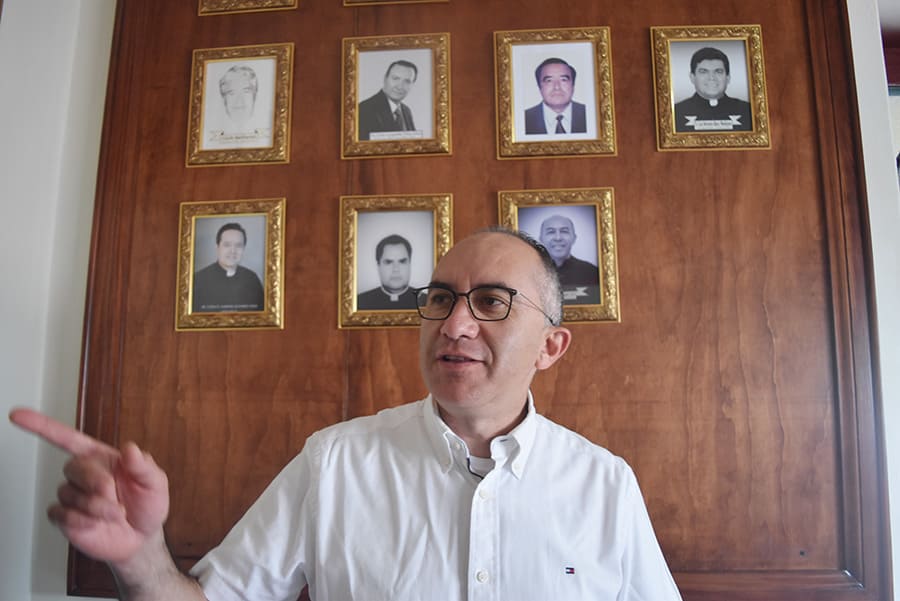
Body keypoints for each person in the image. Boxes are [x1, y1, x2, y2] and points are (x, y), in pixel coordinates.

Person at [9, 228, 683, 601]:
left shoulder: (605, 484)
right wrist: (141, 559)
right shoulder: (334, 462)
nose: (454, 325)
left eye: (491, 302)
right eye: (440, 299)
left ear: (550, 346)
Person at [673, 47, 752, 133]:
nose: (711, 78)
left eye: (718, 71)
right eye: (703, 72)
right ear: (692, 77)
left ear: (728, 77)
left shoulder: (748, 111)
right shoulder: (676, 113)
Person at [192, 222, 264, 313]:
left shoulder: (252, 279)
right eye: (227, 245)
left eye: (238, 245)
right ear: (217, 247)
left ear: (243, 249)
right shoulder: (198, 279)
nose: (233, 251)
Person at [539, 214, 601, 305]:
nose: (558, 238)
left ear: (574, 238)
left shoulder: (592, 273)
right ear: (541, 239)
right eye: (551, 232)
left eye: (564, 231)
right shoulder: (529, 272)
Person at [357, 60, 418, 141]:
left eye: (407, 81)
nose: (400, 86)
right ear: (385, 79)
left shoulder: (406, 111)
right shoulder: (364, 109)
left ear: (412, 85)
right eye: (395, 78)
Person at [524, 58, 587, 135]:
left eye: (563, 80)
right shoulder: (524, 119)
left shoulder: (589, 115)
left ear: (573, 85)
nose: (557, 87)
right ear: (540, 87)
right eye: (549, 81)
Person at [357, 234, 417, 310]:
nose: (396, 269)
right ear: (378, 265)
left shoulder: (426, 302)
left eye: (402, 261)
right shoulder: (360, 302)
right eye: (388, 262)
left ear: (410, 264)